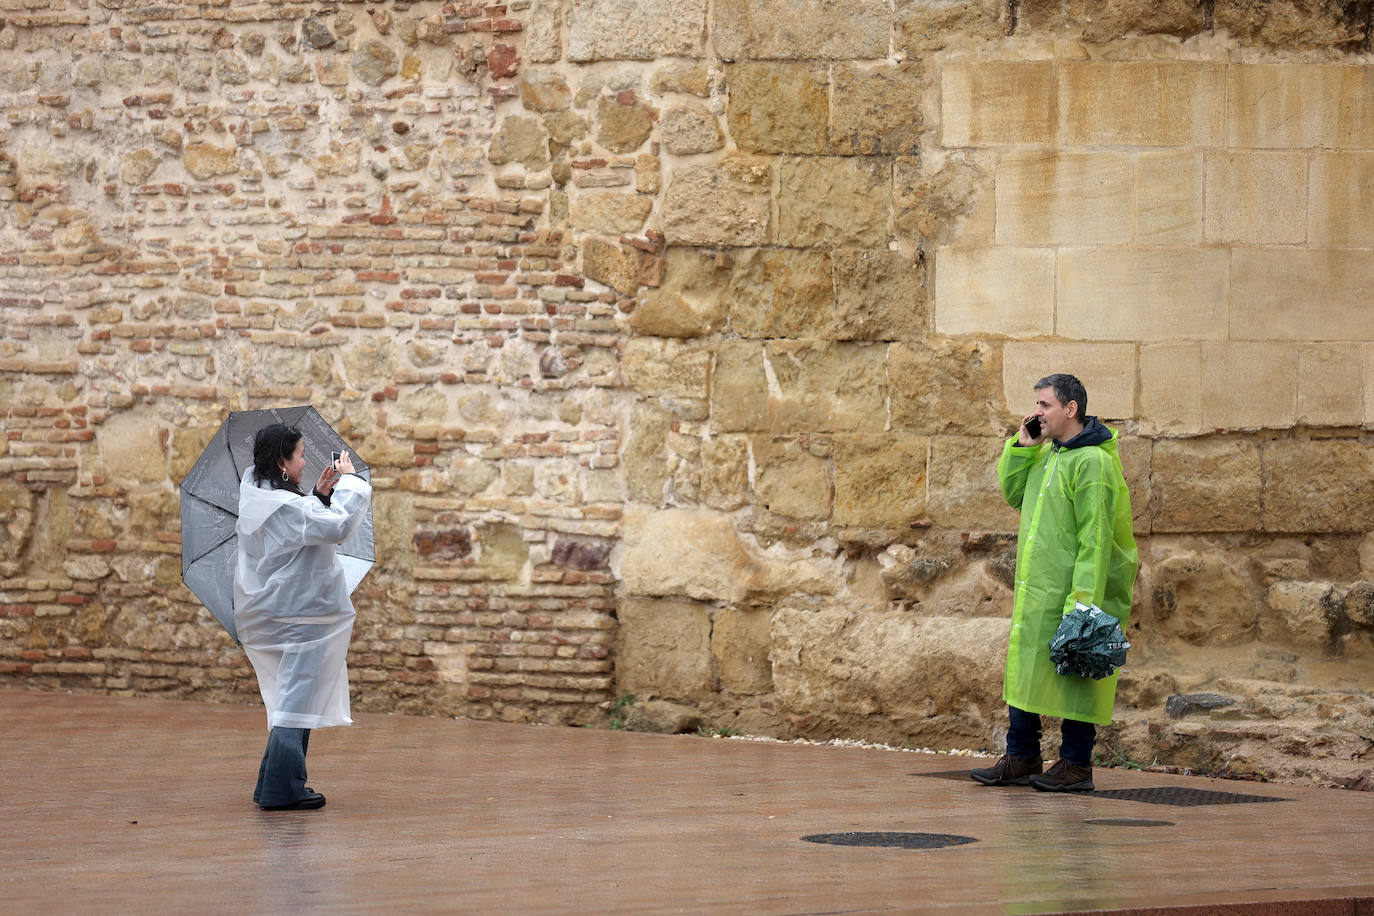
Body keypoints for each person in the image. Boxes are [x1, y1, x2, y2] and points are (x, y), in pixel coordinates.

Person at [970, 374, 1137, 793]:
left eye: (1044, 405)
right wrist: (1023, 448)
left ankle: (1076, 763)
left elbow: (1095, 538)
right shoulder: (1049, 455)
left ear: (1071, 409)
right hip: (1038, 588)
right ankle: (1022, 754)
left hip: (1072, 589)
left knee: (1078, 667)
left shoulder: (1092, 462)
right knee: (1027, 667)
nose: (1036, 413)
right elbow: (1014, 493)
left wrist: (1083, 602)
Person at [234, 423, 371, 811]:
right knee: (295, 701)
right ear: (281, 461)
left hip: (279, 614)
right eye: (299, 455)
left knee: (290, 699)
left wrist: (319, 494)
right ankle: (282, 788)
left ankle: (274, 784)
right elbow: (339, 526)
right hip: (299, 617)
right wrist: (349, 482)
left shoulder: (261, 497)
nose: (305, 461)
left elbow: (297, 532)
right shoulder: (285, 506)